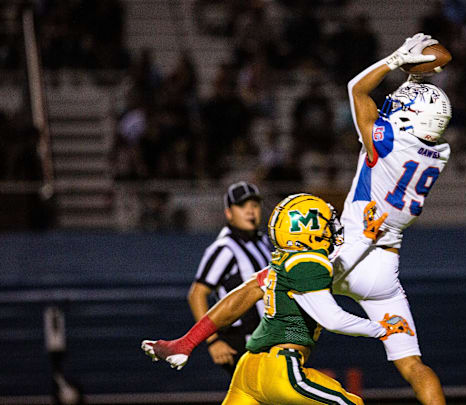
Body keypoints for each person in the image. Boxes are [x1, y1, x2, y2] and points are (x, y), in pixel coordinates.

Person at [142, 194, 414, 405]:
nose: (334, 229)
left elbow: (236, 300)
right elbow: (332, 319)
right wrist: (382, 328)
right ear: (310, 232)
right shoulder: (309, 264)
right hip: (282, 371)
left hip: (248, 369)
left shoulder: (283, 263)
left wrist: (187, 342)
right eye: (327, 223)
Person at [334, 33, 450, 405]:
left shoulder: (385, 141)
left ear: (410, 115)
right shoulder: (438, 152)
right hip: (385, 270)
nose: (392, 105)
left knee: (279, 306)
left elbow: (356, 89)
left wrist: (398, 58)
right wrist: (415, 79)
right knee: (413, 365)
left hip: (346, 253)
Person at [187, 181, 272, 376]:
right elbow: (197, 294)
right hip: (243, 341)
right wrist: (213, 341)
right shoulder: (224, 248)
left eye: (255, 205)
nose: (250, 211)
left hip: (268, 339)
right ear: (229, 213)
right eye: (242, 206)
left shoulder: (263, 241)